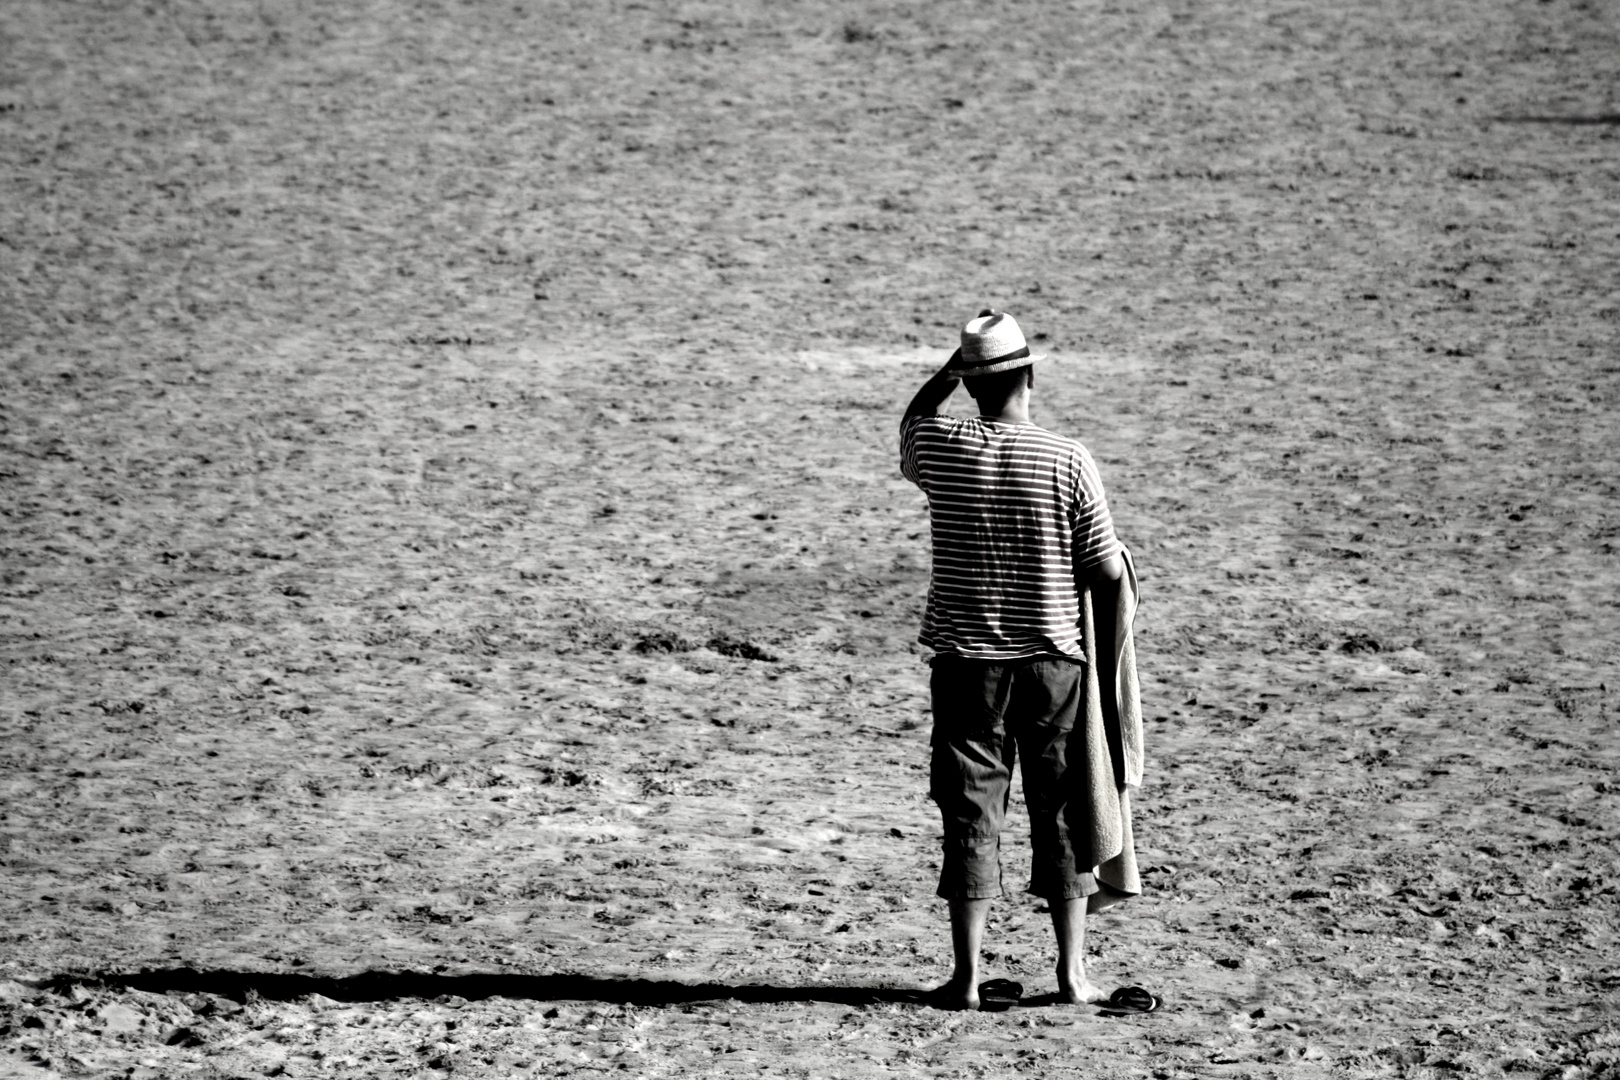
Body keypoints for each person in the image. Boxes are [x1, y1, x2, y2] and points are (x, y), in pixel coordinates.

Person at [899, 309, 1143, 1011]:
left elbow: (912, 423)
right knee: (1062, 814)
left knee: (970, 814)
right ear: (1030, 375)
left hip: (966, 665)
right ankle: (1071, 976)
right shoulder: (1068, 458)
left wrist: (952, 369)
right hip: (1052, 665)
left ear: (971, 386)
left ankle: (969, 980)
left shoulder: (942, 447)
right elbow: (1102, 568)